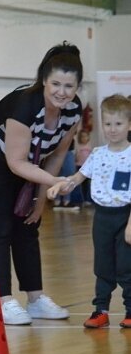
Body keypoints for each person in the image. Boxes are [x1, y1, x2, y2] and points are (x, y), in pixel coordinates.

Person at [0, 42, 83, 325]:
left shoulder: (73, 111)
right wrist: (56, 181)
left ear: (77, 86)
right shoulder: (25, 104)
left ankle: (35, 298)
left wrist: (43, 197)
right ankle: (3, 300)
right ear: (44, 80)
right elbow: (15, 162)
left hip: (30, 164)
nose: (61, 92)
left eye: (69, 86)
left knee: (28, 225)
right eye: (55, 83)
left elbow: (55, 155)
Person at [47, 94, 131, 329]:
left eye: (118, 124)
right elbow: (76, 178)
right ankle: (100, 310)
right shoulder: (97, 155)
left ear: (129, 125)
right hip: (102, 216)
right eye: (107, 124)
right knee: (102, 265)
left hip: (125, 217)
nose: (112, 129)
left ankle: (130, 310)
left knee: (126, 266)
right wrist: (59, 185)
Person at [74, 129, 93, 205]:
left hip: (88, 168)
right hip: (79, 166)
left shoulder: (90, 146)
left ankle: (87, 199)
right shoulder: (78, 146)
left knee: (87, 184)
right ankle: (80, 200)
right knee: (80, 184)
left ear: (88, 137)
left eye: (86, 136)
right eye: (82, 137)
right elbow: (76, 156)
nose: (84, 138)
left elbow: (92, 157)